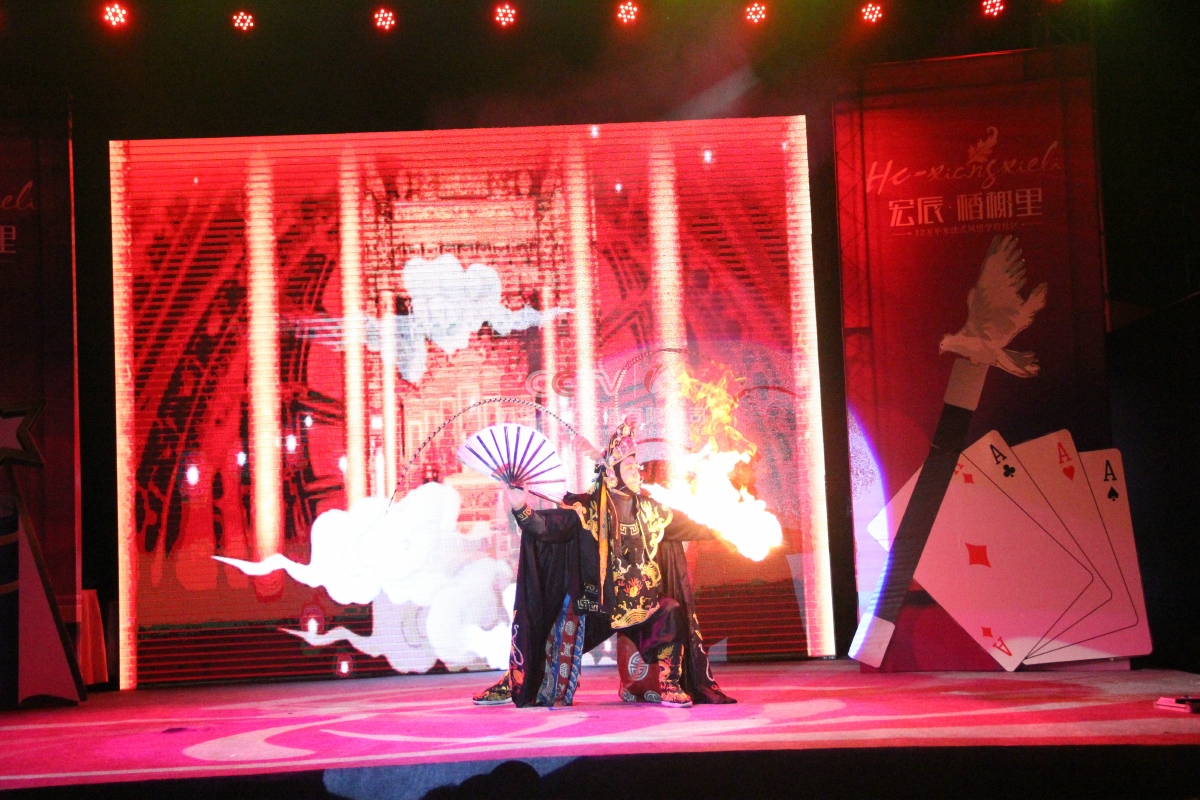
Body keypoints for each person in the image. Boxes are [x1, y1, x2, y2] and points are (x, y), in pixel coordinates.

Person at [472, 418, 734, 708]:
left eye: (637, 466)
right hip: (595, 607)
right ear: (613, 474)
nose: (638, 472)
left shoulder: (652, 511)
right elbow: (545, 529)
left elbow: (692, 526)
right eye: (630, 467)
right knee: (545, 656)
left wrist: (726, 522)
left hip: (641, 605)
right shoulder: (587, 510)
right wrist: (520, 506)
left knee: (670, 610)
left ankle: (669, 684)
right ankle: (514, 681)